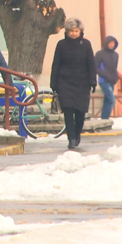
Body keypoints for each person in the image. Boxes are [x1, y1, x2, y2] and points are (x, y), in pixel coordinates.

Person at [50, 17, 97, 150]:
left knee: (80, 112)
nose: (74, 34)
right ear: (67, 31)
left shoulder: (86, 44)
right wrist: (54, 84)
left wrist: (93, 81)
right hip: (65, 82)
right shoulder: (61, 45)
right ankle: (71, 138)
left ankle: (77, 134)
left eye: (76, 31)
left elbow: (91, 64)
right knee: (68, 111)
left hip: (82, 83)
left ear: (80, 31)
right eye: (71, 31)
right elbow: (56, 65)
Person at [94, 36, 119, 120]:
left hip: (112, 80)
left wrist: (115, 77)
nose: (112, 45)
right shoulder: (100, 54)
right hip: (103, 80)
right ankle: (105, 118)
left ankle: (104, 119)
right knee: (111, 99)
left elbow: (114, 68)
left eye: (113, 43)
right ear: (106, 43)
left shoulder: (115, 55)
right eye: (110, 43)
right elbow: (95, 67)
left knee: (107, 100)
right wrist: (103, 74)